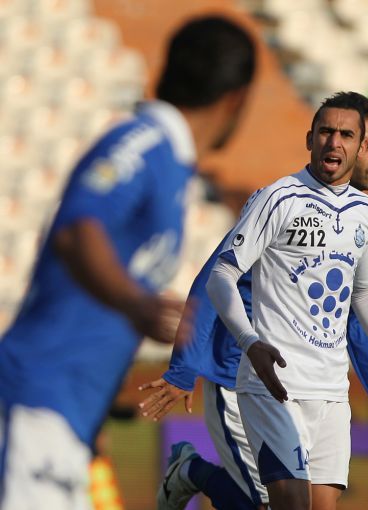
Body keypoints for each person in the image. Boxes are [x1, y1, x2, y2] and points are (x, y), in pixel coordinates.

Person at [0, 16, 257, 510]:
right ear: (236, 99)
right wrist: (135, 303)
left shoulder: (173, 164)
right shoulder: (143, 143)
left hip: (69, 418)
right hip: (38, 399)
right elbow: (78, 229)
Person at [139, 99, 368, 510]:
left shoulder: (358, 219)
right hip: (242, 376)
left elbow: (354, 315)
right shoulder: (281, 203)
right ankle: (193, 472)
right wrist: (183, 367)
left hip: (317, 388)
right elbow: (214, 277)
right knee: (272, 505)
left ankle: (194, 471)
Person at [205, 91, 368, 510]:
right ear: (310, 139)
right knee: (292, 504)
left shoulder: (365, 212)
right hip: (275, 386)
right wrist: (249, 342)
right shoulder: (279, 198)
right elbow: (221, 275)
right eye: (326, 132)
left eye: (346, 135)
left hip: (331, 392)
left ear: (359, 146)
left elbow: (365, 292)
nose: (334, 142)